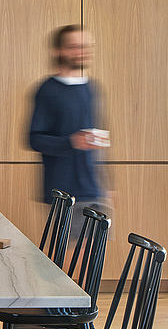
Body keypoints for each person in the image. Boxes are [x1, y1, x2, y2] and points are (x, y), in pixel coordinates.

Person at [28, 24, 110, 239]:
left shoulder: (91, 87)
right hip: (66, 191)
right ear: (58, 51)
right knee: (71, 265)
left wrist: (108, 187)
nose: (82, 51)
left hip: (94, 188)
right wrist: (71, 142)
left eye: (85, 46)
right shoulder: (48, 90)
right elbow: (34, 139)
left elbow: (96, 146)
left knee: (94, 263)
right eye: (74, 47)